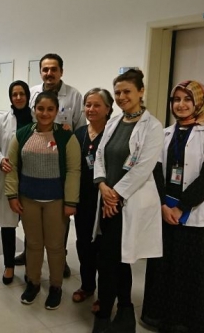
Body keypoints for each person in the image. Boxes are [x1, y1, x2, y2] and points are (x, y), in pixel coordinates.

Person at [140, 80, 204, 333]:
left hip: (194, 217)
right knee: (163, 269)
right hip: (164, 212)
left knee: (190, 272)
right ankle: (159, 318)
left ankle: (186, 324)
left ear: (199, 103)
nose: (181, 104)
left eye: (187, 99)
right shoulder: (164, 134)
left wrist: (181, 208)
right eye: (176, 99)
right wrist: (164, 206)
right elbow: (155, 172)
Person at [91, 69, 163, 333]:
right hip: (108, 200)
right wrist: (102, 185)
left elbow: (143, 168)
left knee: (115, 260)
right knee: (111, 259)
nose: (121, 97)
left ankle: (108, 314)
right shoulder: (114, 122)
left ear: (141, 91)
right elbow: (100, 154)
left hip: (128, 202)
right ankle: (123, 311)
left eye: (127, 92)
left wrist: (116, 195)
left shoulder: (152, 127)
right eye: (118, 92)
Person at [5, 91, 81, 310]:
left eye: (50, 109)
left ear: (56, 111)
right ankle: (33, 282)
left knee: (55, 246)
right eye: (40, 109)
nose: (45, 113)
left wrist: (71, 202)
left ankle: (55, 286)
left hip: (56, 201)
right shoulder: (22, 135)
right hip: (28, 200)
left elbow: (74, 170)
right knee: (33, 244)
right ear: (34, 110)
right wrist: (12, 195)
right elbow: (12, 167)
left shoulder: (66, 137)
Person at [25, 53, 84, 274]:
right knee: (32, 215)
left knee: (58, 218)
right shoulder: (32, 93)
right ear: (40, 71)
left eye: (53, 69)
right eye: (45, 69)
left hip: (60, 164)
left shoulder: (74, 96)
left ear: (61, 71)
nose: (49, 73)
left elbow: (79, 128)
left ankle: (60, 257)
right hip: (35, 160)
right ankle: (30, 252)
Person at [0, 80, 32, 285]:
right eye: (14, 94)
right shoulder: (2, 119)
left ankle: (31, 264)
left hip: (32, 178)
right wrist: (1, 160)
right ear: (10, 97)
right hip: (9, 176)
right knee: (8, 225)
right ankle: (9, 265)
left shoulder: (37, 118)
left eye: (22, 93)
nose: (18, 97)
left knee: (32, 225)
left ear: (28, 96)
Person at [72, 88, 113, 305]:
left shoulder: (114, 133)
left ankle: (105, 295)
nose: (91, 109)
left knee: (104, 249)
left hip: (106, 200)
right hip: (83, 199)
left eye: (97, 105)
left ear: (108, 108)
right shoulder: (79, 134)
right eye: (88, 105)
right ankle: (87, 285)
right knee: (84, 244)